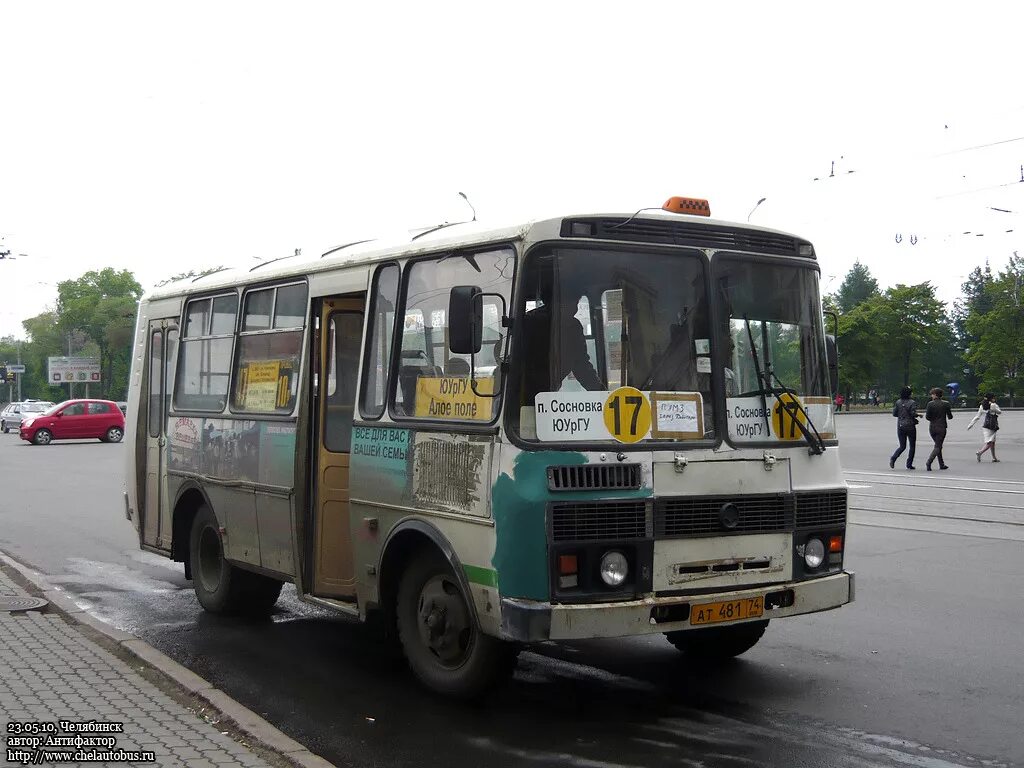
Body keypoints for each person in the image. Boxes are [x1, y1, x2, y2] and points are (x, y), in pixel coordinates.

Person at [521, 281, 603, 404]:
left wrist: (602, 394)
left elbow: (581, 365)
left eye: (576, 303)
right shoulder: (530, 323)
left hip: (548, 395)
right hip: (524, 395)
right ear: (553, 303)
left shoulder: (574, 327)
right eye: (570, 303)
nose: (574, 309)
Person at [924, 386, 953, 471]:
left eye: (932, 394)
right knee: (938, 446)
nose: (931, 396)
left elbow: (927, 417)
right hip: (942, 427)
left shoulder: (930, 404)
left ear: (935, 395)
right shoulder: (946, 404)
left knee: (938, 445)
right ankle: (929, 461)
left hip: (932, 427)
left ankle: (941, 464)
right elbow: (950, 416)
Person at [889, 386, 918, 470]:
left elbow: (894, 413)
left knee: (902, 446)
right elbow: (913, 413)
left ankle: (893, 458)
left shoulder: (898, 402)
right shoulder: (912, 402)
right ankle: (909, 464)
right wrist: (917, 415)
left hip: (900, 425)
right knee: (912, 446)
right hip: (910, 426)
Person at [967, 393, 1002, 462]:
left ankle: (994, 457)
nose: (994, 399)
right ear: (991, 398)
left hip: (986, 426)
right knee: (990, 442)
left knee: (992, 442)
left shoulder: (982, 406)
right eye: (994, 397)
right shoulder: (993, 405)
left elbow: (977, 416)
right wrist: (995, 409)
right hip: (992, 426)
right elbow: (999, 412)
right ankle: (980, 452)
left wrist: (970, 425)